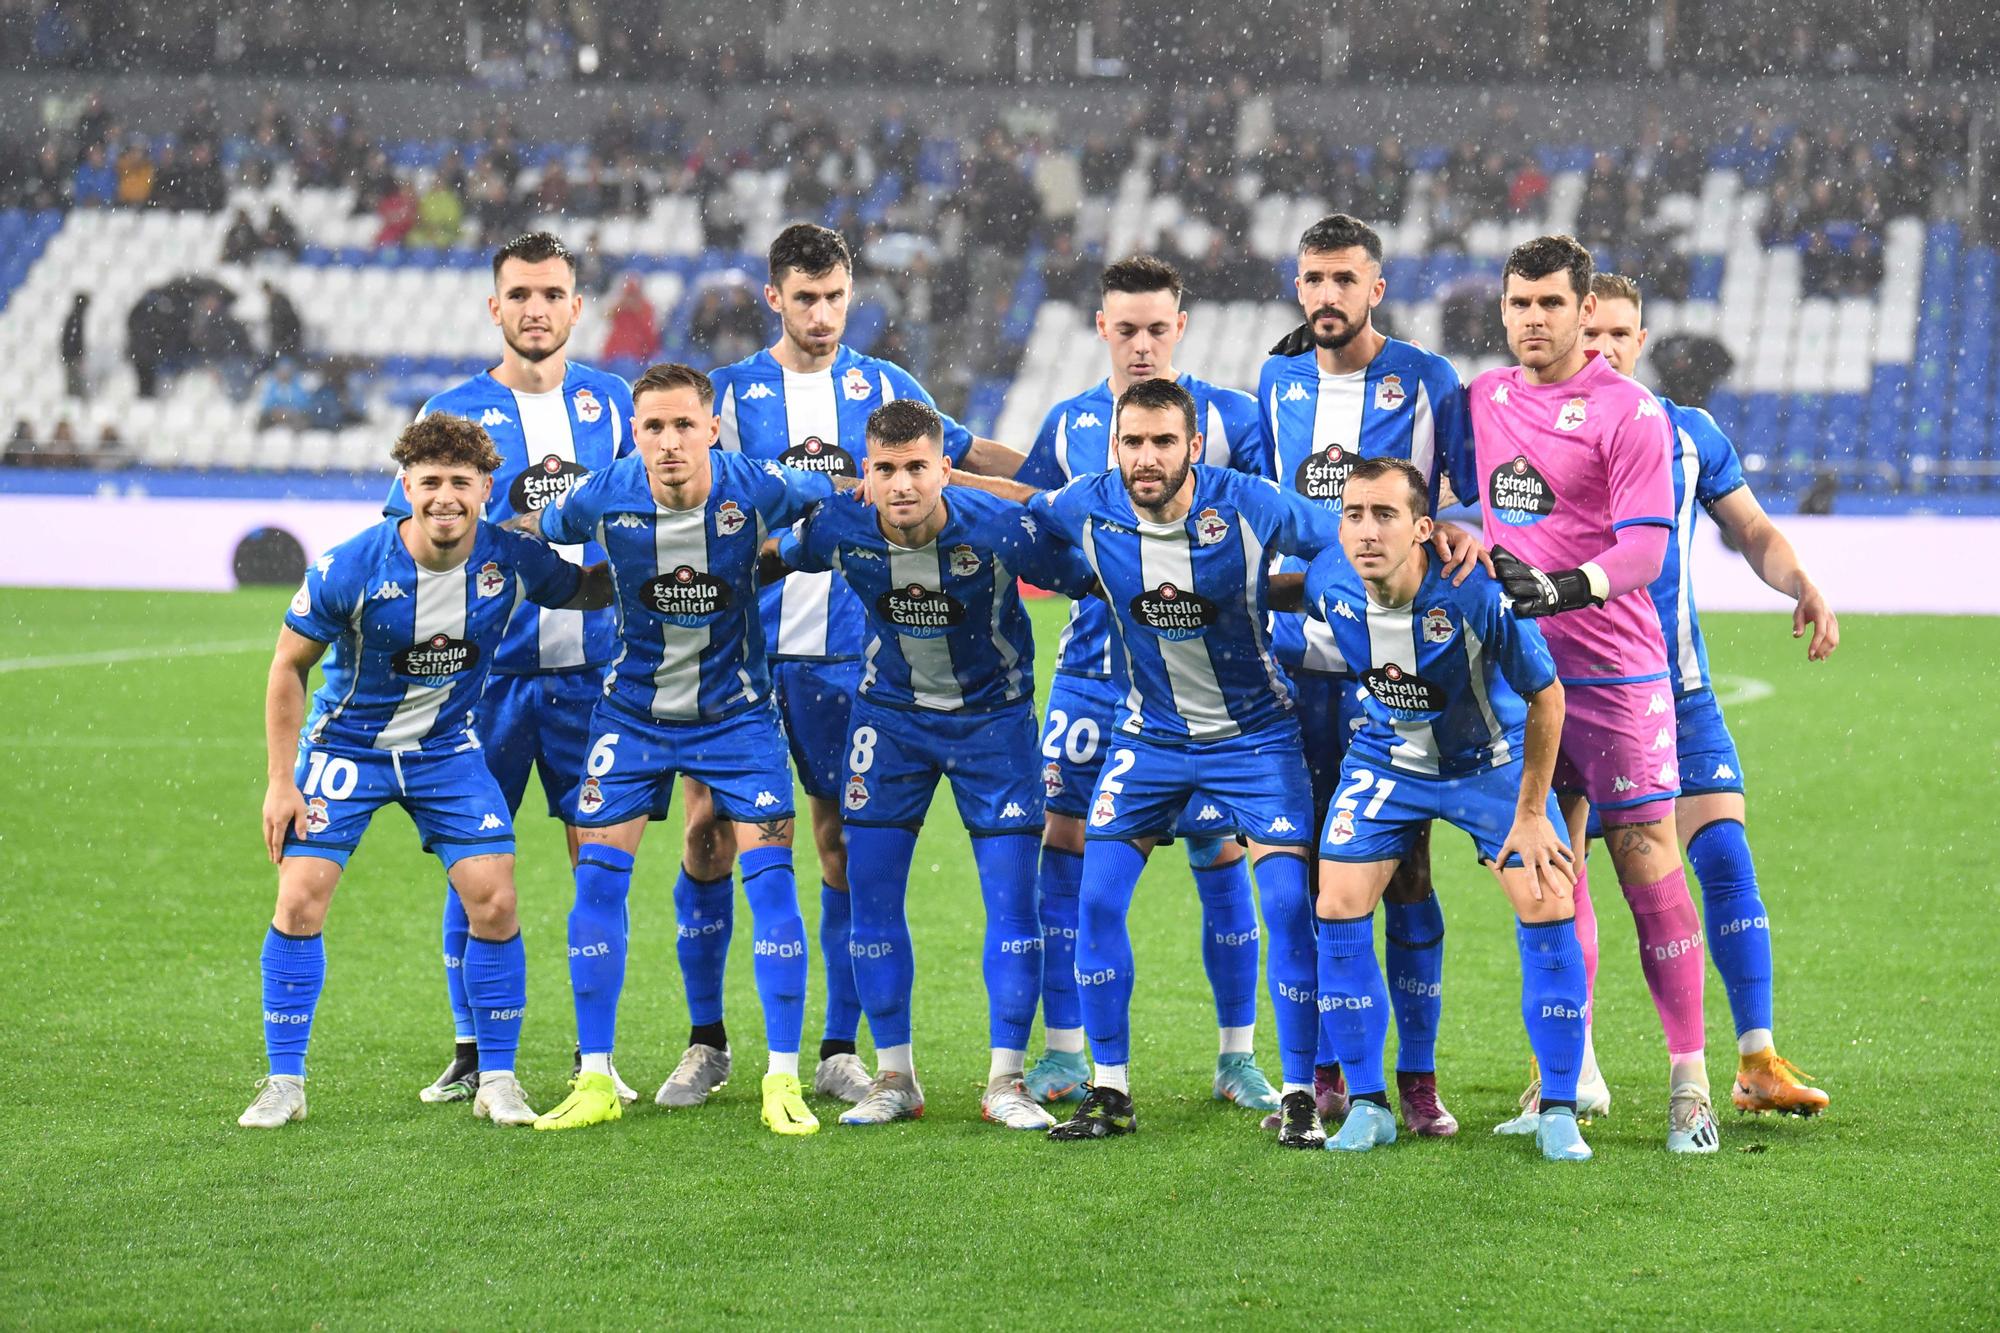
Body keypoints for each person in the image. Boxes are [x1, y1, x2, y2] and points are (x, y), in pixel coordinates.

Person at [679, 222, 1032, 1109]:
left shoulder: (886, 387)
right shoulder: (727, 393)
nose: (825, 313)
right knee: (707, 834)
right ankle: (705, 1039)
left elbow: (967, 454)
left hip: (848, 657)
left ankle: (840, 1046)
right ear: (774, 297)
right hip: (741, 653)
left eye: (837, 296)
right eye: (806, 298)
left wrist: (1071, 477)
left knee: (837, 842)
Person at [237, 413, 612, 1131]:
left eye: (460, 482)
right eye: (430, 481)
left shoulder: (510, 557)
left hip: (446, 750)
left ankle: (497, 1077)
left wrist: (649, 547)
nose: (445, 496)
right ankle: (285, 1079)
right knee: (301, 899)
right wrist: (281, 781)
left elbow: (583, 590)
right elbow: (288, 665)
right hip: (350, 748)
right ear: (405, 485)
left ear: (486, 488)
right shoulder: (351, 565)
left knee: (494, 898)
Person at [506, 363, 844, 1137]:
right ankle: (594, 1076)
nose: (668, 442)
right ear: (634, 433)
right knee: (596, 883)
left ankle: (782, 1077)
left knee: (772, 887)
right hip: (632, 716)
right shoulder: (604, 492)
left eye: (684, 424)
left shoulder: (755, 484)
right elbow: (533, 531)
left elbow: (837, 496)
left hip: (739, 718)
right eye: (653, 426)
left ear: (712, 430)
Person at [1028, 378, 1341, 1148]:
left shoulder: (1249, 503)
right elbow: (1022, 519)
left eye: (1164, 441)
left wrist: (1307, 592)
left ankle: (1299, 1092)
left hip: (1256, 738)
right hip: (1151, 738)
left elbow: (1341, 536)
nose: (1146, 457)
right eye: (1132, 441)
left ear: (1193, 446)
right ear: (1116, 446)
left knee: (1289, 906)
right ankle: (1110, 1090)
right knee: (1095, 904)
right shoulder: (1088, 502)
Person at [773, 399, 1097, 1129]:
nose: (902, 484)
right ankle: (896, 1077)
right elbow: (763, 560)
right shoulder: (837, 525)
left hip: (996, 725)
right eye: (885, 469)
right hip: (889, 722)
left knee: (1014, 905)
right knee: (872, 893)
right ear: (866, 473)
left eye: (917, 466)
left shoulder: (1000, 528)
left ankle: (1005, 1080)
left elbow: (1091, 577)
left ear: (944, 469)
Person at [1010, 254, 1284, 1116]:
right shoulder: (1068, 425)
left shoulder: (1232, 419)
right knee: (1063, 844)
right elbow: (1031, 531)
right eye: (1124, 328)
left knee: (1219, 849)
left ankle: (1236, 1057)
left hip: (1207, 683)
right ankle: (1063, 1053)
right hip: (1093, 676)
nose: (1140, 345)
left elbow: (1267, 535)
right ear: (1100, 328)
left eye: (1156, 328)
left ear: (1182, 327)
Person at [1472, 234, 1718, 1154]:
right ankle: (1563, 1073)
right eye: (1519, 303)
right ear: (1503, 310)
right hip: (1524, 677)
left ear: (1584, 311)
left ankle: (1688, 1079)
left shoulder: (1632, 412)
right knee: (1543, 868)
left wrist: (1558, 588)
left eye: (1550, 304)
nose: (1533, 318)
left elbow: (1646, 551)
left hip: (1615, 674)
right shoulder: (1486, 397)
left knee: (1647, 859)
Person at [383, 231, 638, 1107]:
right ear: (496, 307)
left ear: (577, 306)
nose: (536, 309)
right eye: (520, 294)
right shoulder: (449, 412)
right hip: (483, 686)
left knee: (596, 864)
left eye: (552, 293)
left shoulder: (614, 403)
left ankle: (590, 1055)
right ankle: (469, 1045)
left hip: (597, 678)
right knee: (474, 861)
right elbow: (403, 539)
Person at [1276, 457, 1591, 1162]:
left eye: (1385, 514)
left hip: (1490, 763)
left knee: (1545, 898)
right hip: (1388, 759)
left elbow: (1548, 696)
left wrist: (1534, 811)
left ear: (1424, 528)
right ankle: (1368, 1104)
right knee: (1336, 902)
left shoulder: (1474, 592)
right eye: (1353, 513)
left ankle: (1560, 1109)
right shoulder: (1330, 578)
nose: (1365, 530)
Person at [1577, 273, 1835, 1115]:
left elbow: (1751, 529)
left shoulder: (1685, 434)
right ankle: (1567, 1063)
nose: (1604, 349)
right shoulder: (1531, 430)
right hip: (1572, 690)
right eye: (1591, 333)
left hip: (1676, 689)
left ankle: (1757, 1059)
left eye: (1620, 333)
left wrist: (1800, 581)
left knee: (1722, 854)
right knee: (1563, 876)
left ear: (1640, 341)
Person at [1261, 213, 1484, 1135]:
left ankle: (1418, 1077)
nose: (1325, 296)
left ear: (1376, 288)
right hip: (1301, 672)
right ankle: (1324, 1077)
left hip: (1398, 672)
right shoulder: (1275, 382)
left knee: (1409, 874)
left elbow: (1465, 504)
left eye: (1343, 280)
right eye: (1312, 279)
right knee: (1316, 874)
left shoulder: (1431, 382)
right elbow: (1261, 506)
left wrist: (1465, 531)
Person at [61, 293, 88, 399]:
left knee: (73, 382)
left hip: (70, 355)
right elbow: (72, 340)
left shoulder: (75, 317)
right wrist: (76, 355)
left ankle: (73, 400)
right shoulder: (76, 318)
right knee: (74, 383)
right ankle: (74, 401)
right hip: (72, 356)